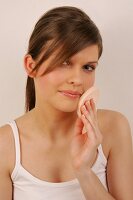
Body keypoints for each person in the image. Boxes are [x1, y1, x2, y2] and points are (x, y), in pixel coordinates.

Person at [0, 6, 133, 200]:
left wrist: (84, 171)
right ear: (31, 66)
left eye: (88, 67)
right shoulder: (5, 145)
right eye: (64, 62)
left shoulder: (113, 128)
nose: (77, 79)